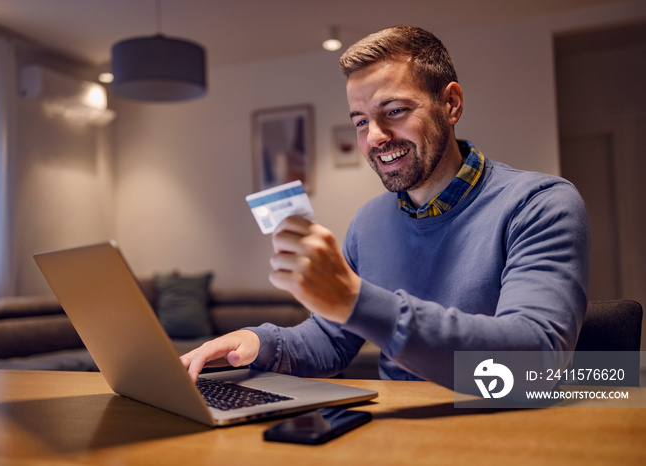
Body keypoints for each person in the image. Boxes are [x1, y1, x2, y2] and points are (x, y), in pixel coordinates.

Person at [180, 25, 590, 390]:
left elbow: (535, 359)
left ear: (451, 104)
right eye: (361, 121)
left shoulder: (539, 205)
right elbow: (331, 340)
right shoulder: (369, 222)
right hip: (396, 434)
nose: (375, 137)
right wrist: (257, 342)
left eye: (394, 111)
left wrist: (356, 300)